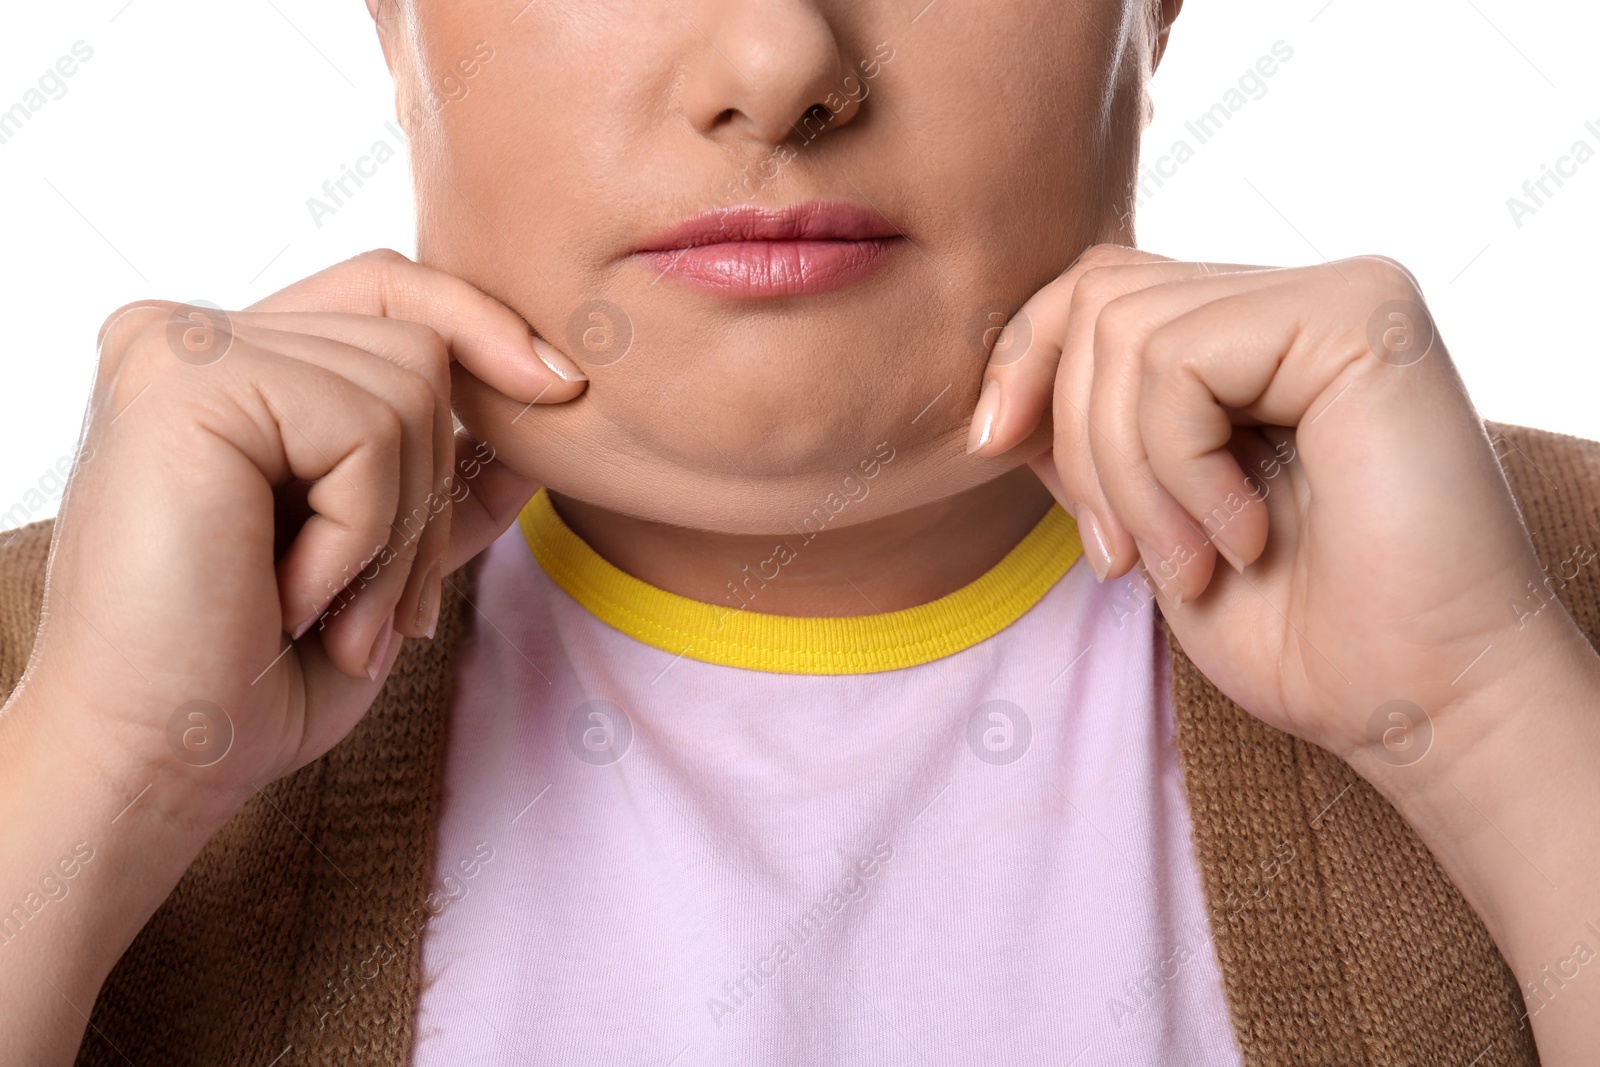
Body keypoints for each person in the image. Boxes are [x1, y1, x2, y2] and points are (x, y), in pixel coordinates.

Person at [2, 0, 1597, 1063]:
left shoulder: (1545, 629)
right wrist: (106, 772)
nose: (777, 61)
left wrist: (1487, 717)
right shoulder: (54, 709)